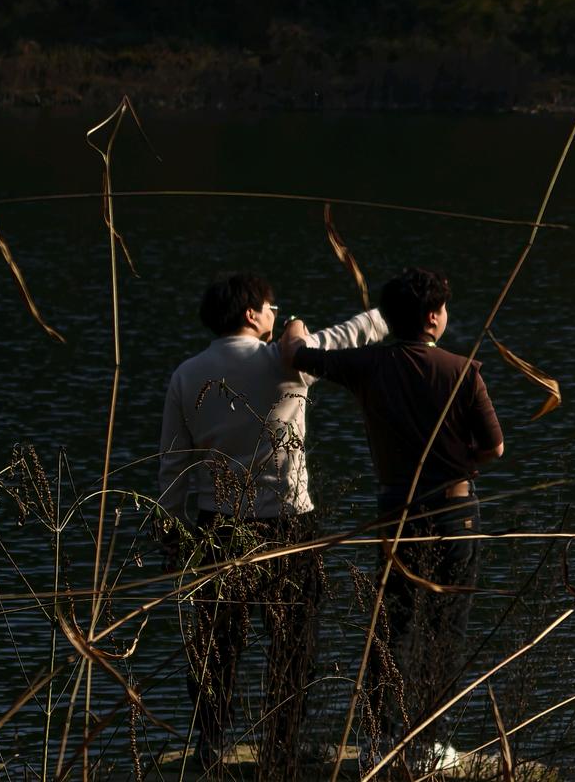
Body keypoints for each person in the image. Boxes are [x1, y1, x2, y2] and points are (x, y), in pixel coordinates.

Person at [158, 271, 387, 775]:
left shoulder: (186, 374)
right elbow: (348, 335)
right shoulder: (284, 363)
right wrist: (386, 314)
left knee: (216, 642)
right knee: (293, 641)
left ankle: (210, 743)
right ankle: (282, 746)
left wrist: (173, 532)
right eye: (272, 307)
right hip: (288, 524)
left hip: (218, 525)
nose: (276, 315)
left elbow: (173, 465)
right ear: (251, 314)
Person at [282, 267, 503, 771]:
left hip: (397, 512)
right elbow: (494, 447)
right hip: (455, 513)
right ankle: (430, 742)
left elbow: (296, 354)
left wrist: (292, 322)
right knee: (446, 628)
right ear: (433, 318)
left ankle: (381, 739)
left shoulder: (366, 364)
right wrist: (462, 461)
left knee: (393, 626)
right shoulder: (463, 370)